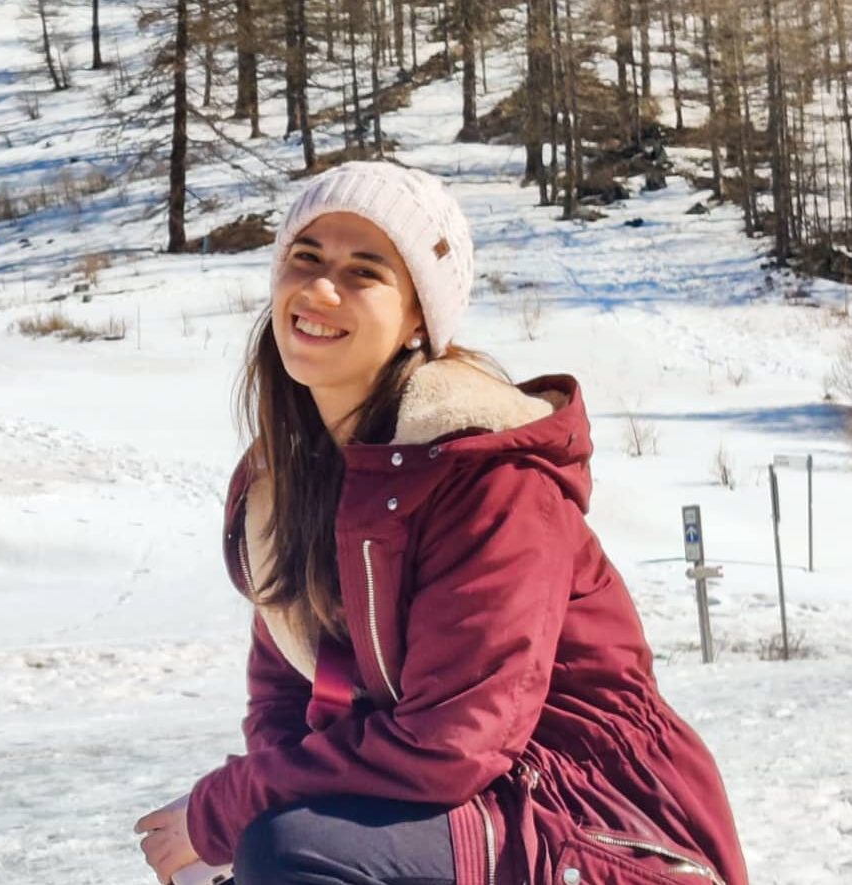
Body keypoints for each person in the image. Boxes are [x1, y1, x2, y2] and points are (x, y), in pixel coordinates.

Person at [134, 161, 748, 885]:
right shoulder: (283, 483)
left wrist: (232, 806)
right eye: (305, 258)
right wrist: (242, 815)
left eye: (364, 272)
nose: (320, 289)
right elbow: (287, 694)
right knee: (240, 855)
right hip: (460, 806)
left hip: (592, 815)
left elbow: (451, 742)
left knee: (289, 849)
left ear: (417, 319)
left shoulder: (488, 477)